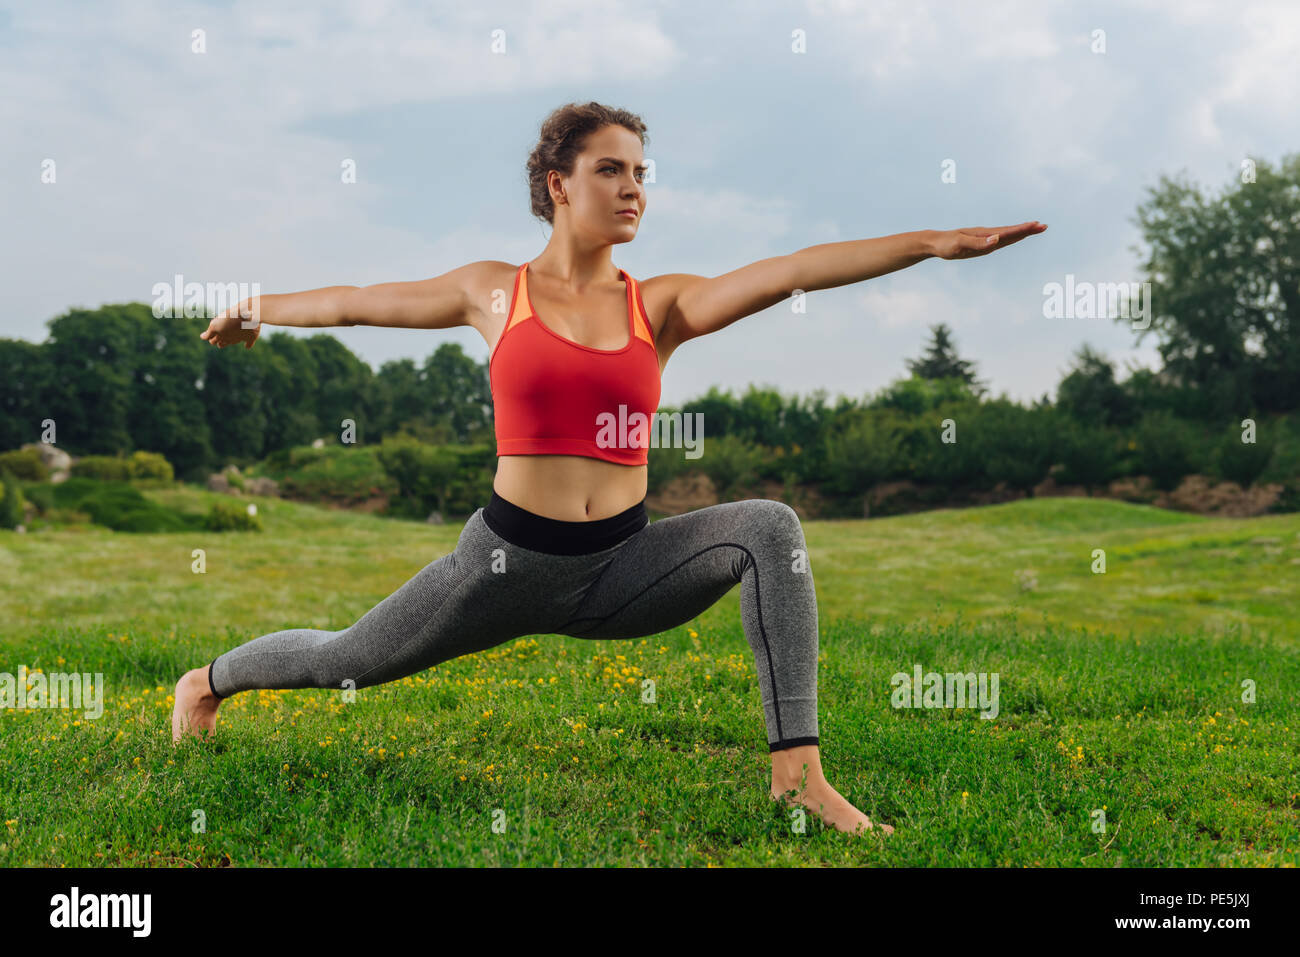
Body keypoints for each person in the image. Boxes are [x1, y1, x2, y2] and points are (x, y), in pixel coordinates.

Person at [174, 100, 1046, 837]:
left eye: (640, 173)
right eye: (611, 170)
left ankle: (797, 775)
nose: (633, 189)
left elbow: (790, 271)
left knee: (767, 529)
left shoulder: (656, 305)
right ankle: (206, 682)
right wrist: (257, 309)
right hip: (499, 569)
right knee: (341, 661)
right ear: (559, 184)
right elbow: (357, 303)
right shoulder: (493, 292)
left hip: (620, 570)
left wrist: (930, 243)